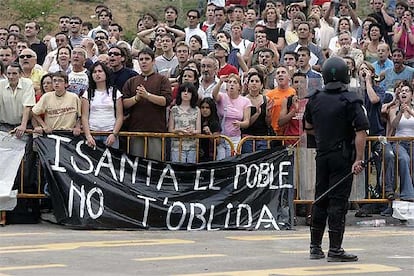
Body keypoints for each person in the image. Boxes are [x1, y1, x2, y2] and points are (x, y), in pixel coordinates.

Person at [304, 57, 369, 262]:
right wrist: (358, 159)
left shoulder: (314, 98)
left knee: (321, 198)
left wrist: (324, 135)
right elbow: (361, 130)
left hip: (322, 154)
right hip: (342, 156)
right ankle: (335, 249)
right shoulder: (350, 99)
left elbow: (308, 127)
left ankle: (315, 247)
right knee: (338, 202)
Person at [122, 48, 172, 160]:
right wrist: (136, 98)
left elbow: (166, 101)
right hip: (136, 130)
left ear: (153, 61)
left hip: (156, 131)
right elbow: (124, 103)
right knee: (137, 165)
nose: (144, 62)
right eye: (141, 59)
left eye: (147, 59)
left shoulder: (162, 80)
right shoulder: (131, 81)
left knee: (155, 164)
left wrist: (147, 96)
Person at [81, 62, 123, 149]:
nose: (97, 74)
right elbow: (84, 117)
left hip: (110, 134)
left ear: (106, 74)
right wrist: (88, 135)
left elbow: (120, 116)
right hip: (93, 134)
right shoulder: (87, 93)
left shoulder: (115, 92)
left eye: (100, 71)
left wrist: (114, 134)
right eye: (94, 72)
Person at [168, 83, 201, 163]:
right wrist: (179, 130)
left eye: (189, 92)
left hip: (192, 146)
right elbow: (170, 129)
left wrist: (192, 131)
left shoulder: (197, 110)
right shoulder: (174, 109)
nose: (186, 93)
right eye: (183, 91)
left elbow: (199, 130)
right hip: (177, 146)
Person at [199, 97, 221, 162]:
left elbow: (217, 142)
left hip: (210, 155)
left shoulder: (214, 122)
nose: (204, 110)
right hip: (197, 153)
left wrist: (210, 134)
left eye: (207, 108)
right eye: (202, 107)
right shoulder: (198, 120)